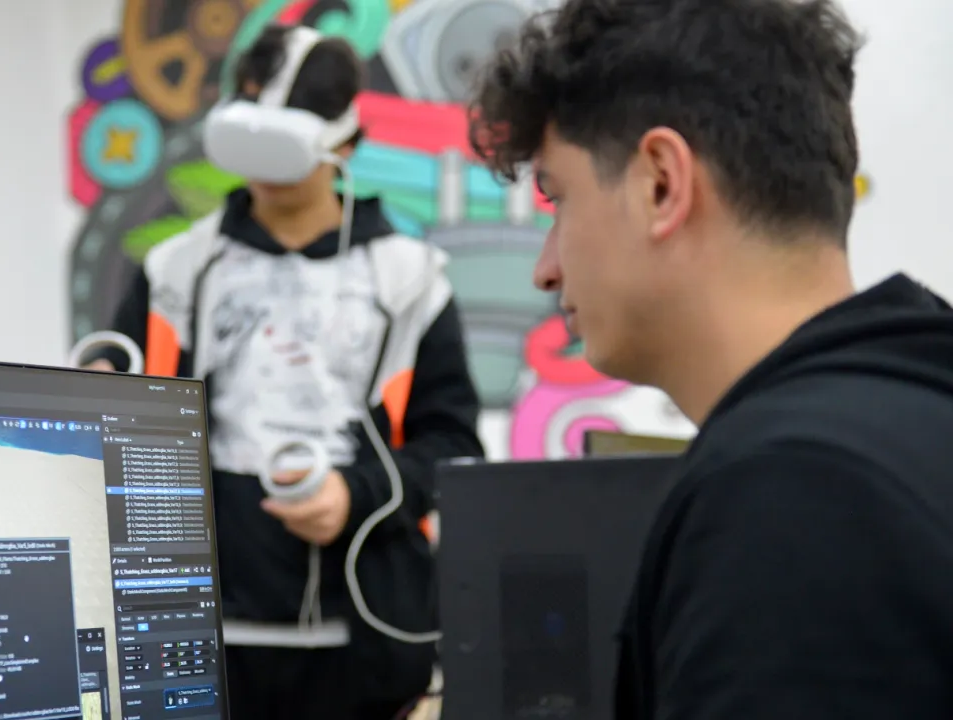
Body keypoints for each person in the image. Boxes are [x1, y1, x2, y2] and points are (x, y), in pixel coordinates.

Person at [469, 0, 953, 717]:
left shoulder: (788, 500)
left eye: (559, 199)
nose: (546, 270)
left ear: (660, 183)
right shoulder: (911, 413)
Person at [82, 24, 484, 720]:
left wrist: (355, 494)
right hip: (203, 636)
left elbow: (452, 448)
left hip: (367, 644)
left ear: (345, 144)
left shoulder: (410, 282)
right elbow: (117, 415)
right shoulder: (176, 272)